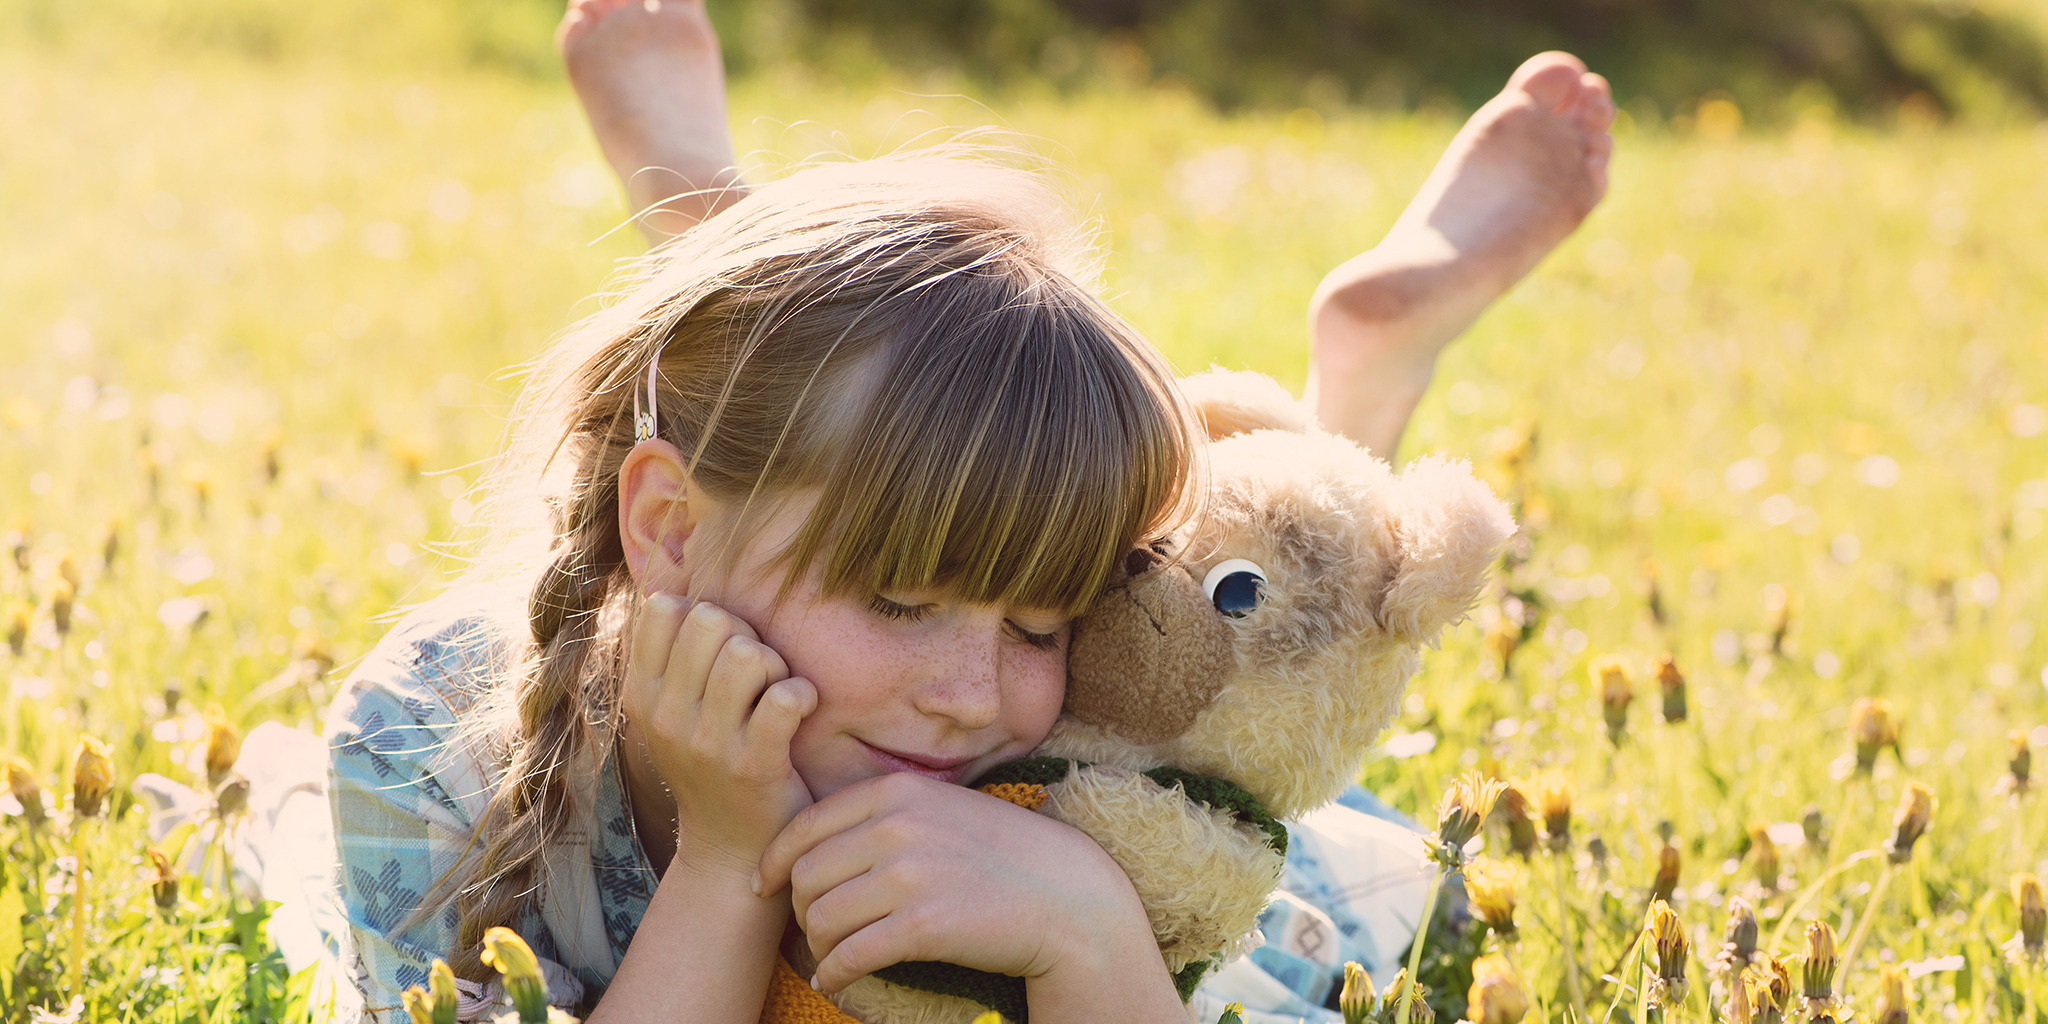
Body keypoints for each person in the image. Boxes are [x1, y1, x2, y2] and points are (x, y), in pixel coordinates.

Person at [304, 7, 1617, 1024]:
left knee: (1267, 640)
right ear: (670, 527)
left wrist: (1092, 932)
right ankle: (714, 235)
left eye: (1046, 619)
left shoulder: (1060, 762)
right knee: (847, 416)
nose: (972, 697)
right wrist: (723, 860)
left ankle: (1352, 405)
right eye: (901, 599)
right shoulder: (432, 747)